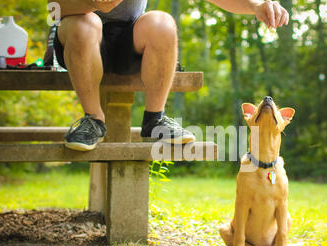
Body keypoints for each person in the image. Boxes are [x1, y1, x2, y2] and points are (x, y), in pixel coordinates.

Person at [52, 0, 289, 151]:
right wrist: (94, 3)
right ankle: (93, 119)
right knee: (86, 23)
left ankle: (155, 119)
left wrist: (256, 5)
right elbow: (53, 9)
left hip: (130, 41)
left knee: (163, 22)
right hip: (80, 39)